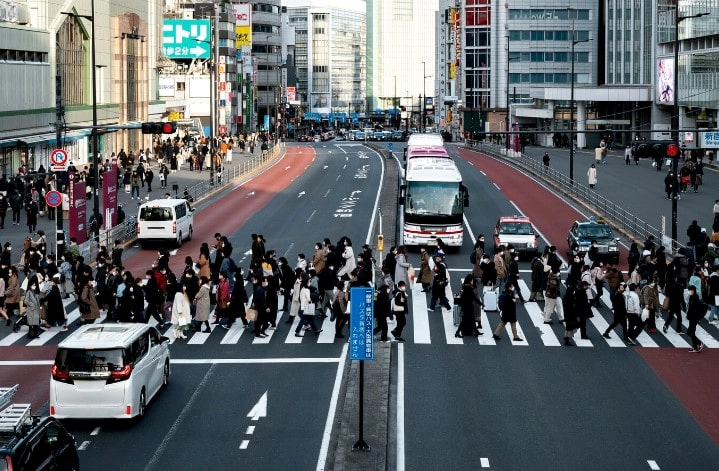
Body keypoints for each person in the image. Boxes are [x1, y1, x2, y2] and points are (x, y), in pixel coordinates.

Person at [686, 285, 706, 352]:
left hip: (694, 318)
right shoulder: (691, 297)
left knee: (690, 332)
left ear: (693, 290)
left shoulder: (695, 299)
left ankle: (699, 343)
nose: (689, 291)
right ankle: (695, 347)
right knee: (692, 332)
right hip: (691, 317)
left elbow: (695, 309)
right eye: (689, 290)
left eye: (690, 290)